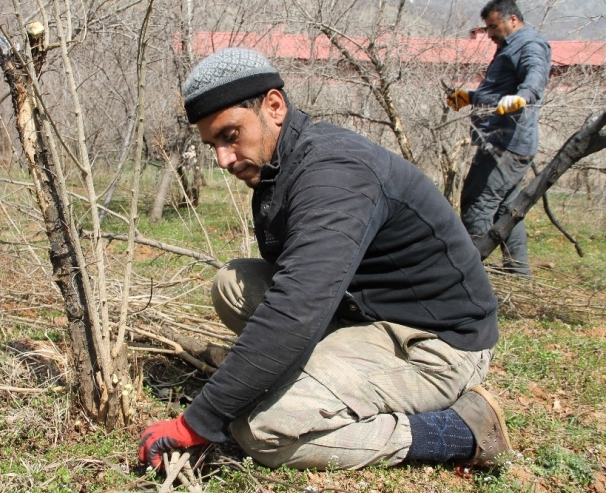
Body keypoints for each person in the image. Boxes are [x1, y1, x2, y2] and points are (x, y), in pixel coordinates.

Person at [139, 47, 512, 471]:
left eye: (230, 136)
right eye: (213, 145)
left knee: (260, 430)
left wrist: (199, 421)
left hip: (435, 344)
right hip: (368, 313)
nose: (223, 158)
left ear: (274, 106)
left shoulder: (335, 171)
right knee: (233, 283)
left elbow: (298, 307)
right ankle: (315, 378)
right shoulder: (281, 163)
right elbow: (296, 288)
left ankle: (458, 431)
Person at [446, 0, 551, 276]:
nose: (489, 33)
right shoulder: (508, 46)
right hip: (502, 142)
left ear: (512, 20)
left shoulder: (529, 45)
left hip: (506, 145)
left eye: (493, 26)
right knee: (508, 209)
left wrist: (521, 97)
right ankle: (517, 273)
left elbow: (535, 75)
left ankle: (471, 279)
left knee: (477, 205)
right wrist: (471, 96)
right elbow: (500, 90)